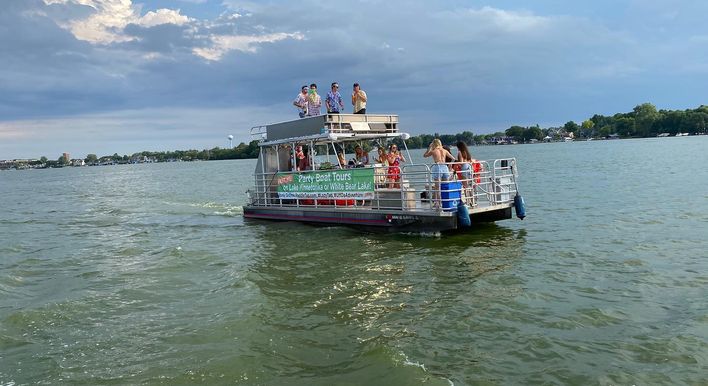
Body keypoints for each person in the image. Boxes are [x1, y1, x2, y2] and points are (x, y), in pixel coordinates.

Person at [424, 139, 455, 208]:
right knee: (445, 186)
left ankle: (438, 203)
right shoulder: (445, 150)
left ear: (434, 144)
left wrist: (429, 147)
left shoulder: (433, 151)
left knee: (437, 187)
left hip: (438, 167)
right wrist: (450, 164)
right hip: (445, 167)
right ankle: (445, 202)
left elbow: (425, 155)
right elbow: (453, 158)